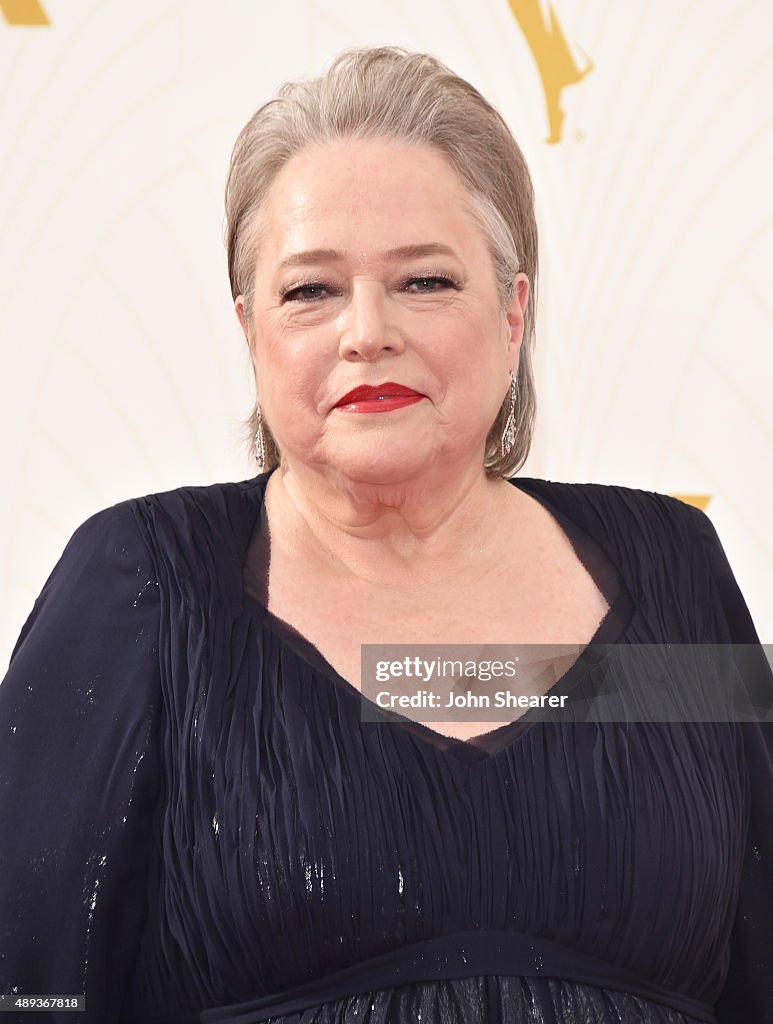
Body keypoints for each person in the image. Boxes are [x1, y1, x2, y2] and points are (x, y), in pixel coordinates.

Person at [0, 45, 771, 1024]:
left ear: (511, 313)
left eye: (424, 282)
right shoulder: (136, 588)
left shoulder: (676, 573)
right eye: (310, 290)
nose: (366, 331)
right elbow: (30, 984)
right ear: (250, 333)